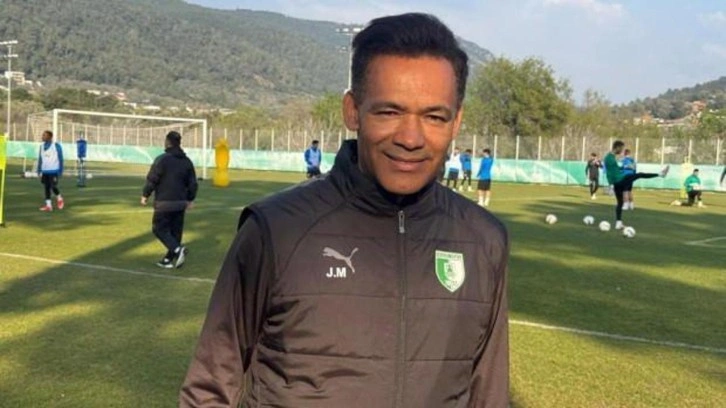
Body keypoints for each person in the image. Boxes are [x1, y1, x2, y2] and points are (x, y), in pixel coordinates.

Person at [180, 13, 509, 407]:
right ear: (353, 111)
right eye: (389, 112)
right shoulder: (277, 229)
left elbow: (488, 394)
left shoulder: (483, 240)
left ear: (456, 122)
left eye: (434, 116)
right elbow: (210, 389)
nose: (410, 138)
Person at [141, 131, 197, 269]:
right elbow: (193, 183)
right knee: (175, 232)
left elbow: (152, 179)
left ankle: (178, 250)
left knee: (158, 229)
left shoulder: (162, 160)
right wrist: (190, 199)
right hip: (180, 203)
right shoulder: (187, 162)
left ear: (167, 142)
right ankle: (167, 260)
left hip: (164, 202)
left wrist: (145, 194)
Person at [604, 140, 669, 230]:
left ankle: (618, 223)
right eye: (621, 149)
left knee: (620, 203)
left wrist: (625, 167)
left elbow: (615, 169)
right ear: (617, 147)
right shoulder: (609, 158)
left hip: (617, 183)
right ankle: (661, 174)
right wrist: (610, 185)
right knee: (639, 175)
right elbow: (609, 173)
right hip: (621, 180)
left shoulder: (610, 157)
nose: (622, 151)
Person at [36, 130, 64, 212]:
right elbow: (40, 158)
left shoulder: (56, 146)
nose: (42, 136)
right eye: (43, 135)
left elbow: (61, 158)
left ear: (50, 137)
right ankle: (48, 206)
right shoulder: (41, 146)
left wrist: (61, 170)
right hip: (45, 171)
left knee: (53, 186)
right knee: (46, 187)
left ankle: (59, 198)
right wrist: (39, 169)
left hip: (53, 170)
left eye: (44, 135)